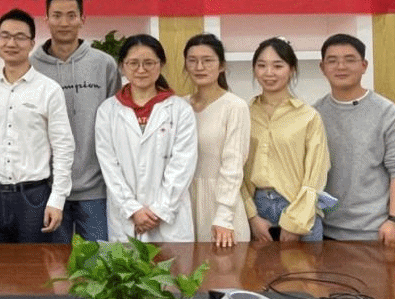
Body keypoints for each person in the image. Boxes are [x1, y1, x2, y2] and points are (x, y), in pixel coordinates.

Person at [30, 0, 121, 243]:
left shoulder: (104, 64)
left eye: (71, 15)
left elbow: (116, 122)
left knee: (98, 262)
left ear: (83, 19)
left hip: (95, 189)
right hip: (48, 189)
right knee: (53, 263)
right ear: (46, 19)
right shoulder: (32, 67)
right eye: (57, 15)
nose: (64, 23)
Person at [0, 8, 74, 244]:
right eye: (5, 36)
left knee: (35, 265)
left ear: (31, 43)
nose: (11, 43)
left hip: (34, 197)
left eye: (20, 37)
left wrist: (57, 199)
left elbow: (63, 147)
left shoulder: (48, 89)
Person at [315, 33, 395, 248]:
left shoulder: (388, 114)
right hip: (323, 228)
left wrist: (394, 220)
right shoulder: (314, 114)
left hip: (373, 231)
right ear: (322, 68)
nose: (341, 66)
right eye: (332, 60)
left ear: (364, 65)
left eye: (349, 59)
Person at [95, 35, 198, 243]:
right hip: (126, 218)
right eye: (133, 63)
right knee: (127, 264)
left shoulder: (180, 110)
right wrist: (132, 209)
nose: (141, 70)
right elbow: (109, 165)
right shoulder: (108, 110)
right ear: (122, 66)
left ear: (161, 65)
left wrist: (160, 210)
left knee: (173, 265)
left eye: (149, 63)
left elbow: (183, 165)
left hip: (169, 220)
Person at [243, 37, 330, 243]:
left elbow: (316, 175)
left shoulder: (308, 116)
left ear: (291, 69)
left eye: (278, 66)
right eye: (262, 66)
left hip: (299, 209)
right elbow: (236, 170)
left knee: (305, 265)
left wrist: (295, 222)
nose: (269, 73)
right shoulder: (244, 113)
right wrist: (252, 216)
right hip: (257, 210)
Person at [182, 34, 251, 247]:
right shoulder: (180, 106)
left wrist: (224, 216)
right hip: (184, 204)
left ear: (221, 66)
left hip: (221, 204)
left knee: (222, 267)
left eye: (207, 60)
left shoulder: (235, 106)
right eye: (192, 60)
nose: (199, 67)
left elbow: (233, 164)